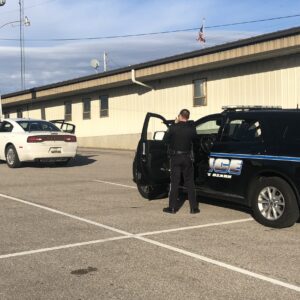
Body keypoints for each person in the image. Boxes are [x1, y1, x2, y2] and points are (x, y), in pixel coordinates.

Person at [163, 109, 200, 214]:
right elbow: (196, 141)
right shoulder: (191, 129)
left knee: (175, 183)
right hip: (187, 158)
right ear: (187, 117)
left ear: (180, 116)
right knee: (190, 183)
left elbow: (165, 140)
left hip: (176, 157)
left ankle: (172, 208)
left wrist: (173, 125)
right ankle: (193, 208)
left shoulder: (173, 127)